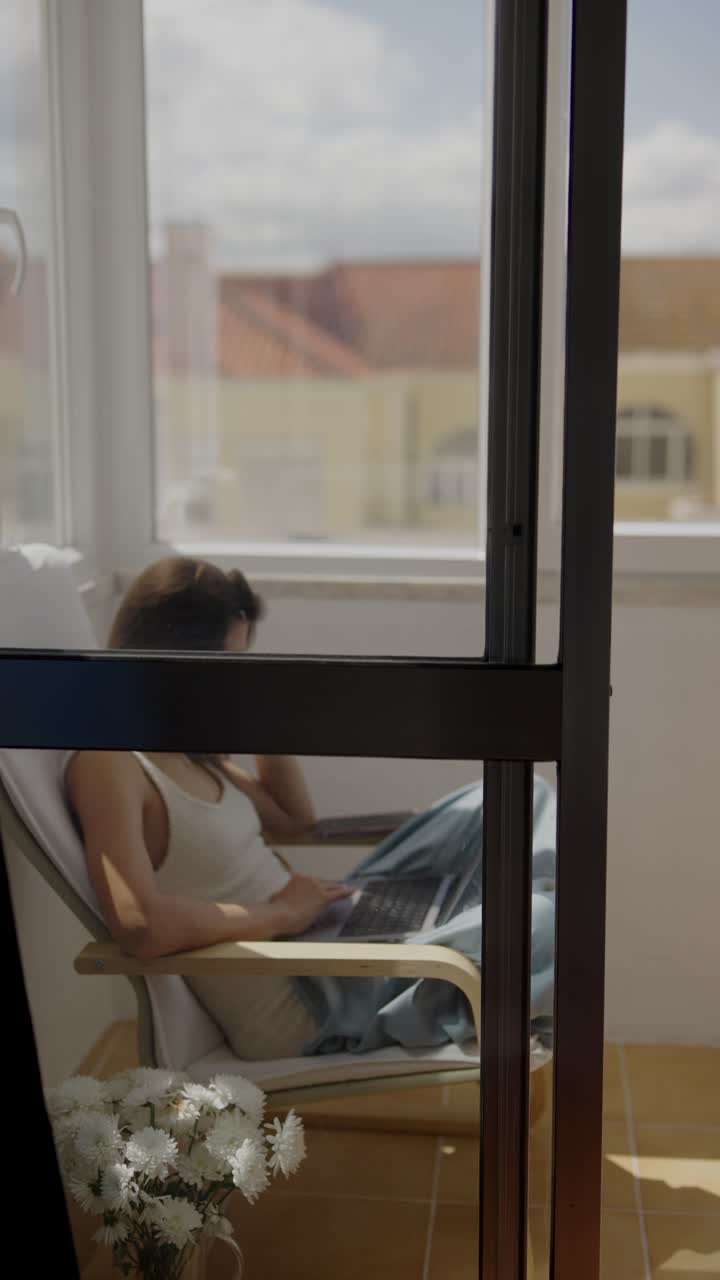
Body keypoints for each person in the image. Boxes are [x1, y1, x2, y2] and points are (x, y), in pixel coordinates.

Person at [66, 556, 557, 1061]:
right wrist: (278, 914)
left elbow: (293, 819)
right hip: (298, 994)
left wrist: (256, 701)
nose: (232, 677)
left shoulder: (186, 751)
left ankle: (471, 932)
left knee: (517, 798)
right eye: (228, 663)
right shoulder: (112, 763)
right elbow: (140, 925)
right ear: (170, 655)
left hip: (318, 931)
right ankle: (485, 951)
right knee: (543, 923)